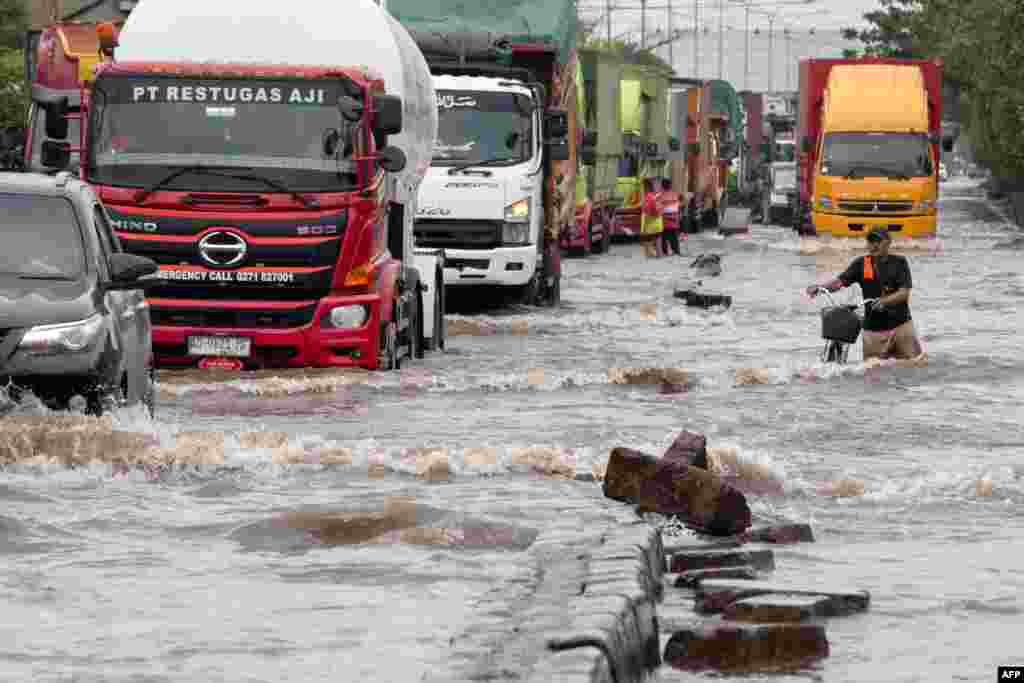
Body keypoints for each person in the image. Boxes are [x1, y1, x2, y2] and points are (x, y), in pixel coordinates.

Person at [806, 226, 922, 360]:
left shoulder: (899, 262)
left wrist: (884, 301)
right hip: (873, 331)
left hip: (901, 327)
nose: (874, 245)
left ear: (888, 242)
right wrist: (819, 288)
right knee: (872, 372)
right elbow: (839, 282)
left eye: (878, 241)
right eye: (870, 241)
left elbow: (904, 293)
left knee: (914, 365)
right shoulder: (861, 263)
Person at [659, 177, 685, 256]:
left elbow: (659, 208)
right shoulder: (675, 194)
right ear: (670, 185)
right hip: (674, 220)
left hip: (664, 220)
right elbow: (680, 205)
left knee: (664, 236)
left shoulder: (660, 195)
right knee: (674, 237)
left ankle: (665, 252)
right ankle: (676, 251)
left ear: (662, 186)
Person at [640, 177, 664, 258]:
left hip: (650, 222)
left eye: (643, 186)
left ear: (646, 187)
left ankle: (649, 255)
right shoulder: (657, 195)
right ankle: (659, 254)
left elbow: (646, 210)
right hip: (658, 221)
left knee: (647, 238)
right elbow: (661, 207)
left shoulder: (647, 197)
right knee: (657, 237)